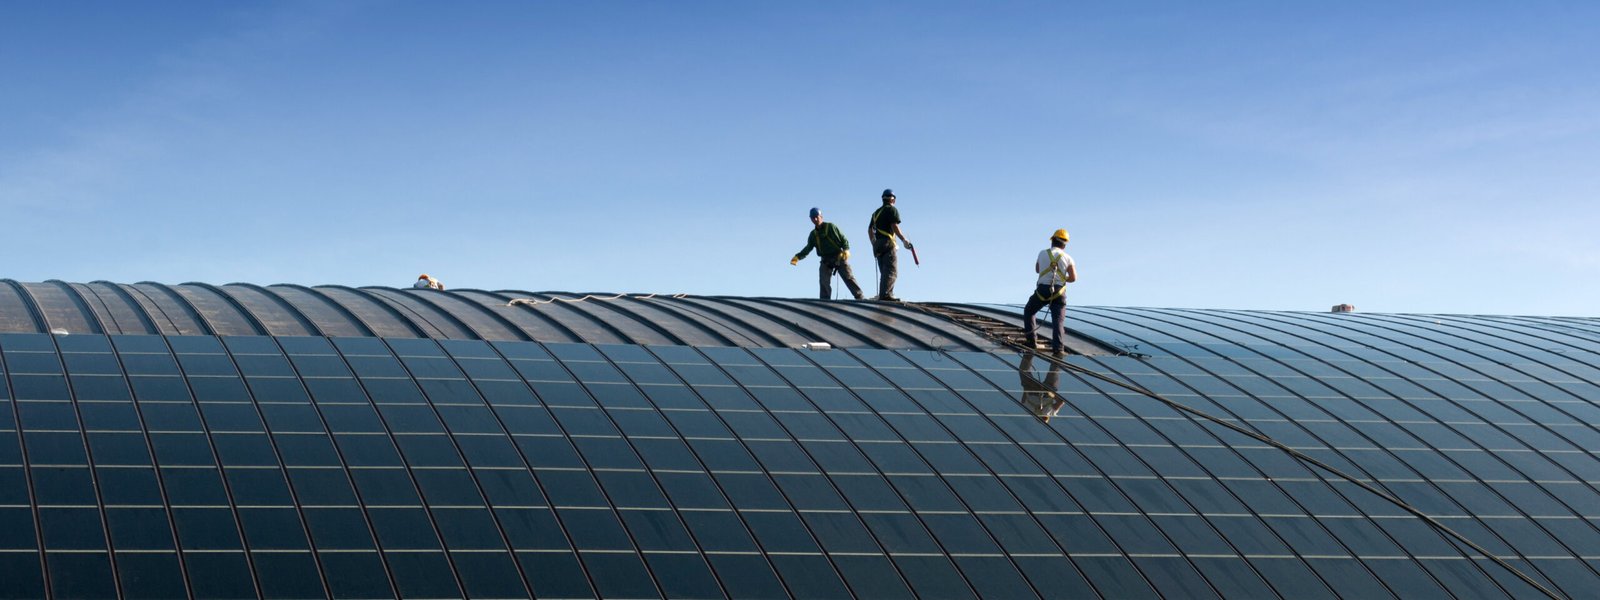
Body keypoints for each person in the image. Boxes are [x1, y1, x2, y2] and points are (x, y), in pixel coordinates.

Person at [792, 208, 865, 300]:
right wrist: (798, 257)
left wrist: (846, 249)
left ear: (821, 217)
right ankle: (825, 301)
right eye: (812, 218)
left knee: (848, 277)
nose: (814, 219)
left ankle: (860, 297)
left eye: (816, 217)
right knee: (824, 281)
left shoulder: (831, 227)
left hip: (838, 257)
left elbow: (843, 239)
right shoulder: (813, 234)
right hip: (825, 260)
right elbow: (808, 248)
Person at [1022, 229, 1076, 353]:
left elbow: (1037, 270)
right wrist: (1062, 278)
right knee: (1058, 321)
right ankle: (1058, 349)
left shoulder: (1042, 253)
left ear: (1052, 241)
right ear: (1065, 244)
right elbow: (1073, 278)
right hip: (1059, 292)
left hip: (1042, 290)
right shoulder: (1068, 258)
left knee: (1029, 311)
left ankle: (1031, 342)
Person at [868, 188, 913, 301]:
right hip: (887, 244)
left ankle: (886, 293)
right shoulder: (892, 210)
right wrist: (903, 240)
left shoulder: (875, 213)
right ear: (893, 200)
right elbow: (894, 226)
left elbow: (869, 230)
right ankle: (886, 295)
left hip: (877, 245)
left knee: (884, 272)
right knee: (891, 270)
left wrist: (873, 242)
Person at [1018, 353, 1065, 422]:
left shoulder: (1049, 413)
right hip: (1036, 391)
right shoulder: (1031, 411)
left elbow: (1061, 402)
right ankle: (1029, 352)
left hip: (1043, 392)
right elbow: (1023, 400)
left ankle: (1058, 354)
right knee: (1024, 371)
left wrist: (1051, 394)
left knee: (1054, 370)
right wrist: (1026, 388)